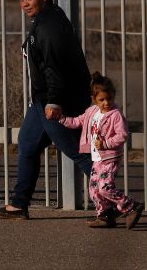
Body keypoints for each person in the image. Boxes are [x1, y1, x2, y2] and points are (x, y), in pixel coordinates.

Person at [0, 0, 93, 219]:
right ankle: (18, 204)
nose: (25, 4)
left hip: (55, 102)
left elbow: (54, 68)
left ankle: (117, 203)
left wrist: (54, 102)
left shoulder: (49, 27)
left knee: (79, 153)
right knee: (27, 144)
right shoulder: (46, 21)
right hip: (42, 102)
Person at [60, 72, 142, 229]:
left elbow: (122, 135)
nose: (106, 103)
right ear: (94, 99)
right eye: (102, 100)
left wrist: (106, 144)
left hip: (110, 157)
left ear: (114, 96)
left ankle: (131, 206)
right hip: (97, 159)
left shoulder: (116, 115)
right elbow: (77, 121)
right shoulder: (92, 112)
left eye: (109, 98)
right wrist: (62, 119)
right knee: (93, 190)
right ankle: (105, 216)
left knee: (105, 188)